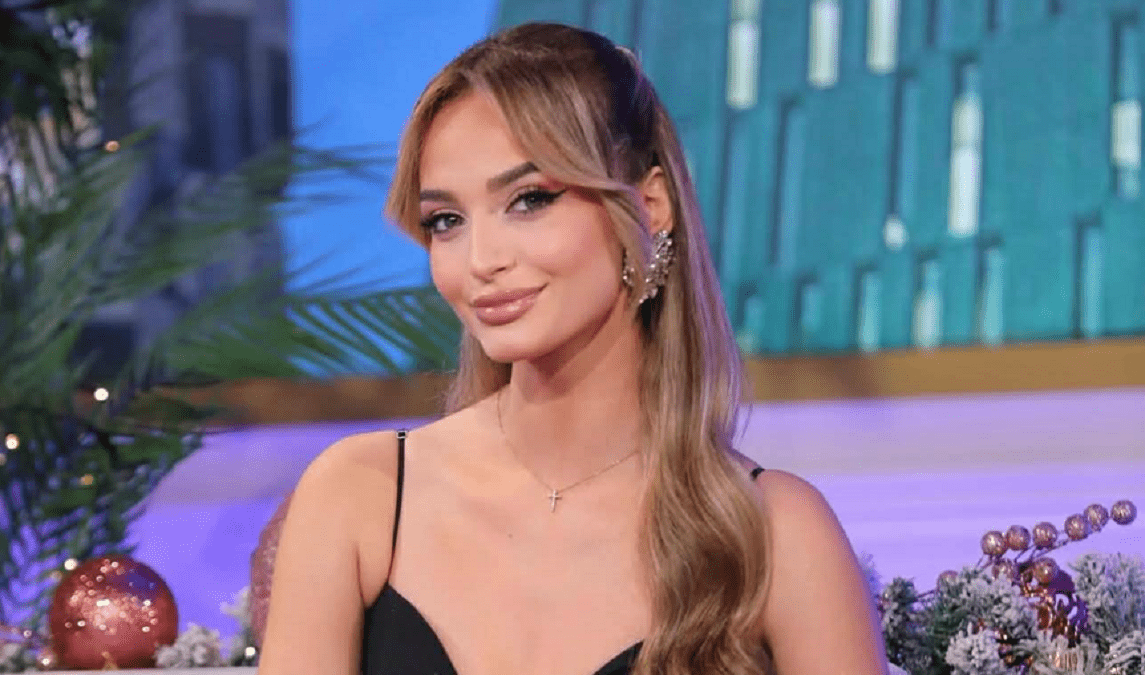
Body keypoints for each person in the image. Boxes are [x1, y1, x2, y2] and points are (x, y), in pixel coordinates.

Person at [257, 22, 888, 675]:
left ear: (649, 207)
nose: (480, 260)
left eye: (529, 200)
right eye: (446, 220)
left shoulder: (778, 537)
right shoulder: (358, 496)